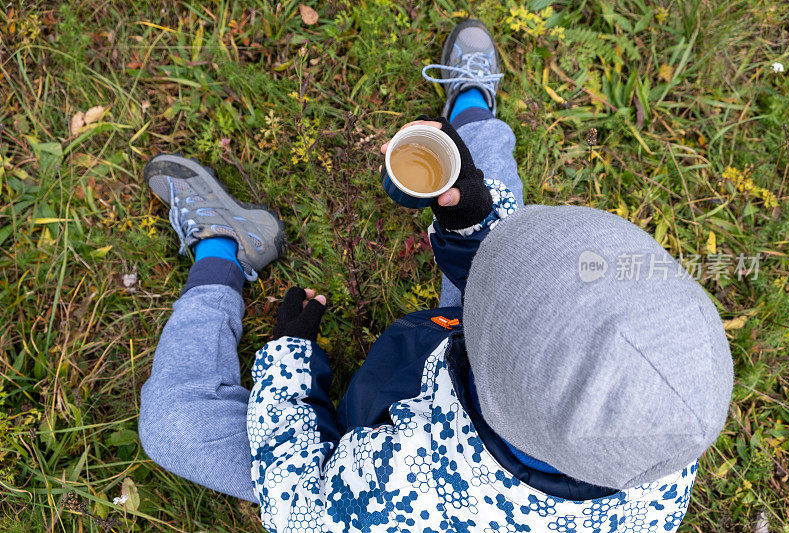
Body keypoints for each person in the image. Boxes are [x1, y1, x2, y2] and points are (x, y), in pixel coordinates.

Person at [139, 20, 733, 532]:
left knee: (172, 425)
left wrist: (291, 361)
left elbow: (298, 504)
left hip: (386, 416)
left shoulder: (393, 499)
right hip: (467, 379)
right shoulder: (666, 428)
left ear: (492, 376)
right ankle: (471, 109)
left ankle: (222, 250)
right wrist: (475, 220)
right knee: (478, 195)